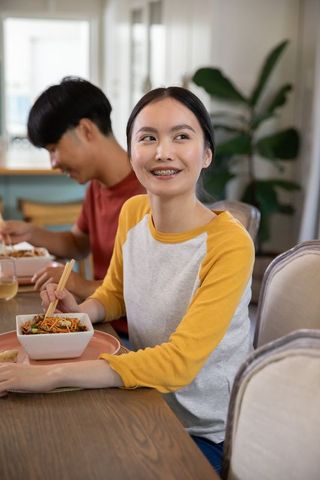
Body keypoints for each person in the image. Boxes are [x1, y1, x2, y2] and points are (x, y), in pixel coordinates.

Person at [0, 87, 254, 474]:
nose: (162, 151)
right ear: (133, 152)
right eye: (148, 137)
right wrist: (79, 311)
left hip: (204, 432)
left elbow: (178, 364)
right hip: (141, 394)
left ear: (206, 155)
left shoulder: (230, 244)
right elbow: (114, 294)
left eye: (181, 136)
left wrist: (49, 375)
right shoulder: (134, 212)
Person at [0, 77, 144, 334]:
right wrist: (30, 233)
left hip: (128, 335)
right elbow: (77, 245)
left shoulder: (146, 194)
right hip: (99, 321)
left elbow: (143, 293)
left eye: (54, 149)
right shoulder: (97, 186)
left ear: (86, 130)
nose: (53, 163)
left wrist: (79, 284)